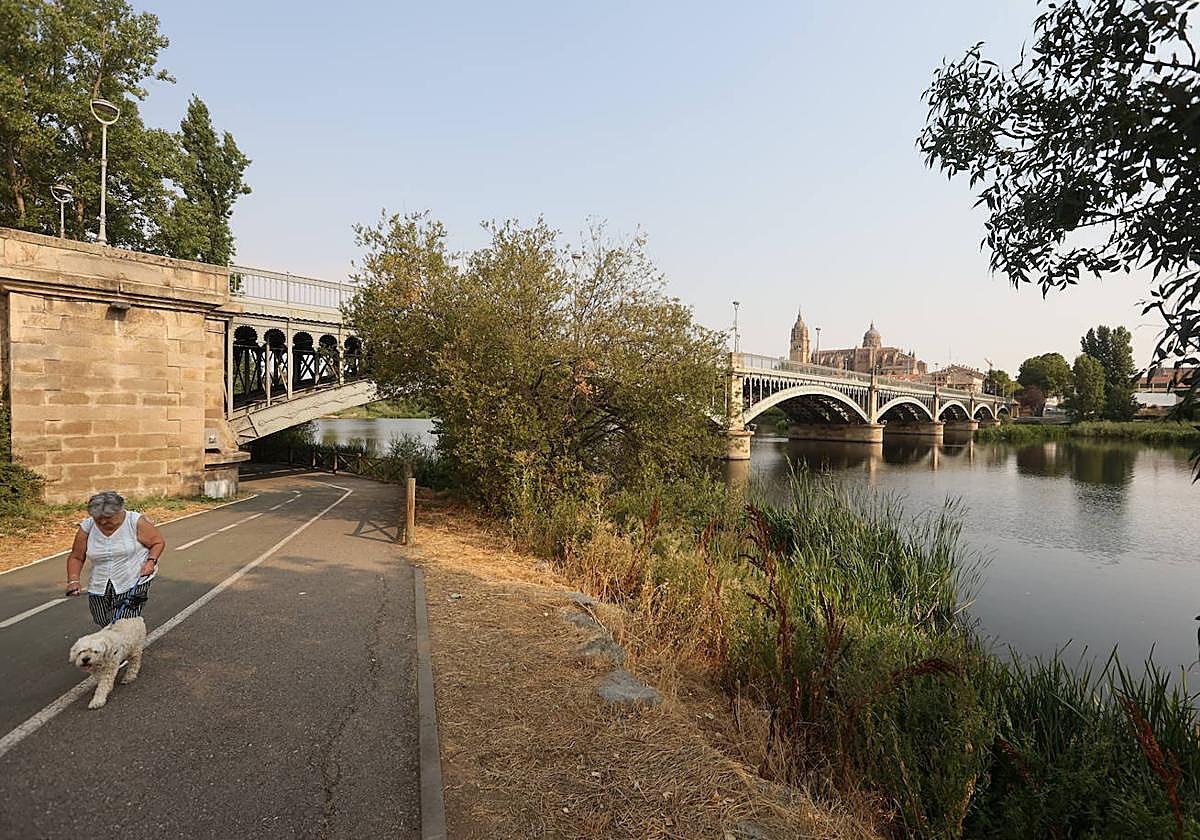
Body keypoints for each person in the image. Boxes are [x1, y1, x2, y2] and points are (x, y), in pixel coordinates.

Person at [65, 491, 166, 626]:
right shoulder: (87, 527)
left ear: (120, 511)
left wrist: (151, 561)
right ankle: (113, 641)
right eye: (98, 518)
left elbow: (157, 542)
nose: (103, 521)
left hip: (134, 578)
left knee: (122, 622)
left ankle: (123, 645)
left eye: (108, 517)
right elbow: (76, 557)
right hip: (100, 583)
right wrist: (73, 580)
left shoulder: (135, 521)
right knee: (102, 619)